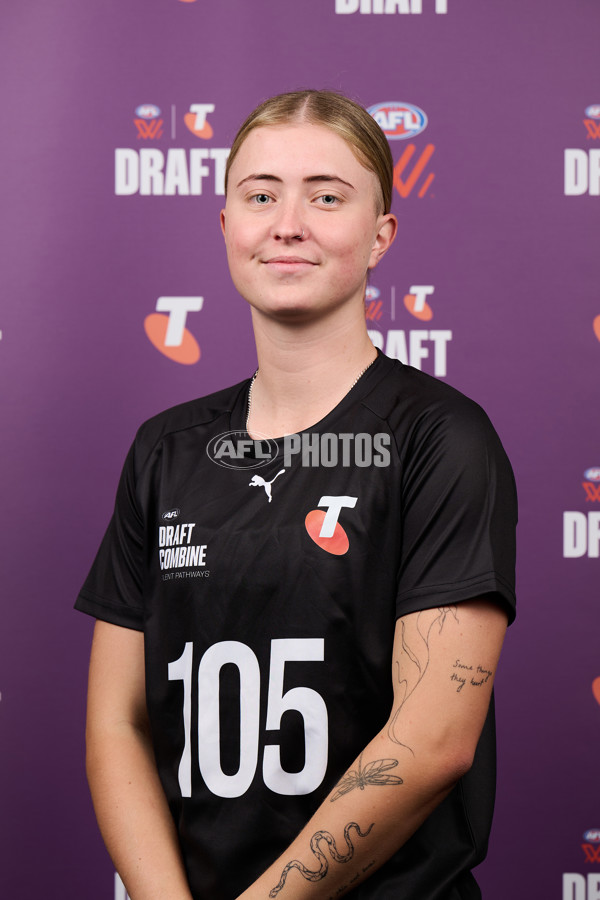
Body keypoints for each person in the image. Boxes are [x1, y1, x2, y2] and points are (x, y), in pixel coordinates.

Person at [76, 89, 517, 900]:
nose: (287, 224)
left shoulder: (440, 438)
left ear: (381, 234)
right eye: (260, 196)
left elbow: (434, 741)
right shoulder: (165, 450)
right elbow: (117, 722)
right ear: (225, 227)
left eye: (326, 196)